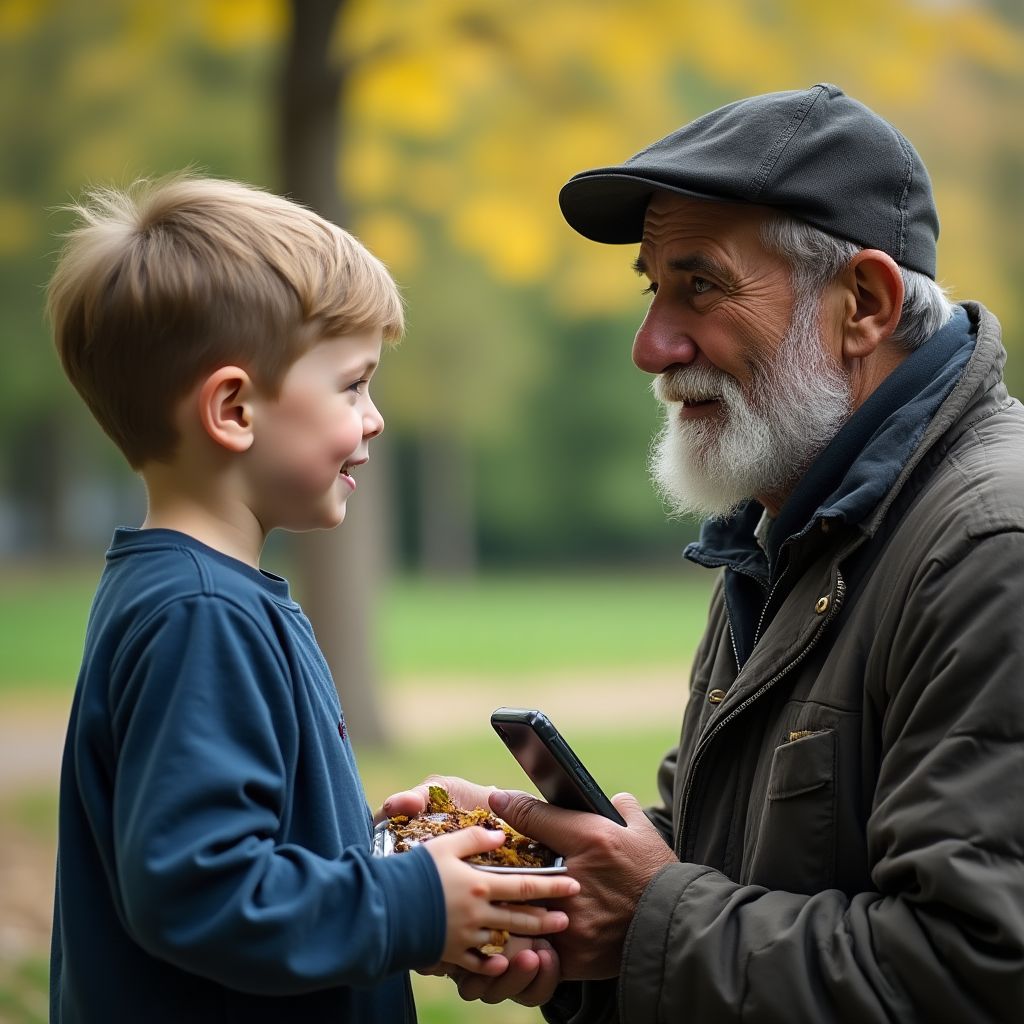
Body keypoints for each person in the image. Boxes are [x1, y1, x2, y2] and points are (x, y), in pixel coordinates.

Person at [383, 83, 1024, 1021]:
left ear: (865, 305)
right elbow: (716, 869)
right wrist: (542, 878)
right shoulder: (790, 526)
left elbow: (973, 975)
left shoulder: (989, 548)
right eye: (655, 289)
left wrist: (643, 920)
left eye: (703, 286)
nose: (651, 347)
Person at [44, 173, 580, 1024]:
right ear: (233, 409)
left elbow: (250, 851)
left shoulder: (197, 595)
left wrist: (387, 866)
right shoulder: (201, 616)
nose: (374, 418)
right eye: (352, 385)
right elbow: (199, 889)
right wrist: (412, 903)